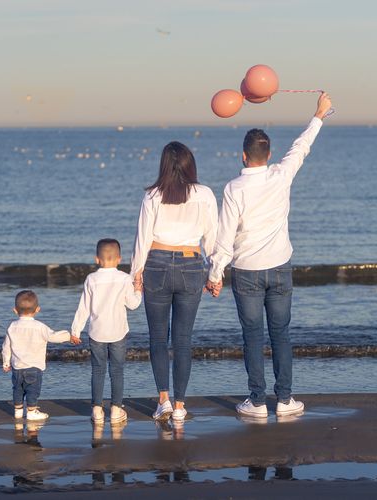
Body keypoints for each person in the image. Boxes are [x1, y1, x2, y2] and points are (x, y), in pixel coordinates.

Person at [207, 92, 333, 418]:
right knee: (281, 333)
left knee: (252, 336)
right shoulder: (281, 175)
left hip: (247, 271)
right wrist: (318, 114)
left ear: (244, 156)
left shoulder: (234, 188)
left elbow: (225, 235)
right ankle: (286, 400)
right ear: (269, 154)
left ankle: (258, 402)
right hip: (279, 268)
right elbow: (301, 147)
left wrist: (215, 273)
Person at [131, 141, 218, 422]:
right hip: (191, 263)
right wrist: (215, 273)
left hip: (156, 262)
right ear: (190, 164)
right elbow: (212, 238)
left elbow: (142, 238)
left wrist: (136, 273)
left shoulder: (153, 195)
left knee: (158, 337)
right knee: (182, 340)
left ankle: (164, 401)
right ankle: (180, 406)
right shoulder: (204, 194)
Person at [70, 238, 142, 424]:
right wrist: (138, 290)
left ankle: (97, 410)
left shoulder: (91, 279)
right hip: (118, 332)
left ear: (97, 259)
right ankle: (116, 410)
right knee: (117, 370)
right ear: (119, 259)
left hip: (97, 333)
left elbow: (83, 308)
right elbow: (133, 305)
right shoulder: (124, 278)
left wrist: (75, 330)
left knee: (98, 370)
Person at [2, 290, 72, 420]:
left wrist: (6, 362)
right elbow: (53, 336)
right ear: (37, 309)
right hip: (34, 367)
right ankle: (31, 411)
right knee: (33, 390)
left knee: (18, 389)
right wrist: (69, 336)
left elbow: (6, 346)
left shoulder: (12, 326)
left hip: (17, 367)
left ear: (15, 310)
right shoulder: (39, 327)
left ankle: (18, 410)